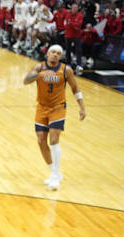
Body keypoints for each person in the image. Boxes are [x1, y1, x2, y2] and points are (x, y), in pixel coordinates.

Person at [23, 44, 86, 190]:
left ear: (60, 56)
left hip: (58, 108)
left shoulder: (66, 70)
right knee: (40, 141)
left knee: (54, 140)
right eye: (52, 52)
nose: (55, 55)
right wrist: (39, 75)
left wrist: (82, 107)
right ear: (47, 54)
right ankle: (53, 172)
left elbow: (75, 88)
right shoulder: (39, 67)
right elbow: (26, 81)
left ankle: (55, 175)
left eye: (58, 53)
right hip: (41, 108)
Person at [64, 3, 84, 73]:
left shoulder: (80, 15)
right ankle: (68, 63)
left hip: (77, 36)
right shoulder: (68, 15)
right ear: (71, 8)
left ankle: (79, 65)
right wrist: (74, 25)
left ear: (78, 9)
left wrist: (71, 24)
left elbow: (79, 26)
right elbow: (67, 25)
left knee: (78, 50)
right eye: (73, 8)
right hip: (68, 35)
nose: (74, 9)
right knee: (68, 50)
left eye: (76, 8)